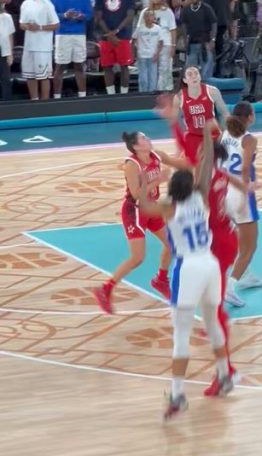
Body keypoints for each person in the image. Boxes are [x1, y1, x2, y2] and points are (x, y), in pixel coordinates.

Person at [139, 123, 235, 418]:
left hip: (189, 267)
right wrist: (208, 136)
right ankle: (224, 375)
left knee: (181, 335)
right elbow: (204, 168)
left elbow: (143, 206)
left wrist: (146, 181)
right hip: (210, 265)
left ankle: (178, 394)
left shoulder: (169, 206)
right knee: (213, 322)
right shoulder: (201, 197)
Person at [92, 130, 178, 314]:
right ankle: (105, 289)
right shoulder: (132, 165)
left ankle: (161, 279)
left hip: (152, 207)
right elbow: (137, 194)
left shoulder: (156, 155)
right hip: (135, 210)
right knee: (138, 258)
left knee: (173, 243)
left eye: (147, 137)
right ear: (137, 147)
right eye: (144, 139)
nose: (149, 139)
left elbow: (177, 161)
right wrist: (158, 180)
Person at [221, 101, 262, 307]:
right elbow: (246, 167)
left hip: (224, 191)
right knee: (250, 247)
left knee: (240, 238)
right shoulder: (249, 139)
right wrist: (248, 188)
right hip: (240, 192)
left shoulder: (225, 134)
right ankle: (230, 287)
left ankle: (247, 276)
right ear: (250, 117)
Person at [51, 0, 93, 99]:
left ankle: (82, 96)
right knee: (60, 66)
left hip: (79, 33)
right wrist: (64, 15)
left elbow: (89, 13)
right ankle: (57, 97)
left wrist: (82, 16)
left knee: (79, 65)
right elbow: (52, 13)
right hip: (62, 34)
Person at [93, 0, 136, 95]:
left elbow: (130, 15)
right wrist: (109, 34)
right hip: (105, 35)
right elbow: (98, 16)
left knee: (124, 66)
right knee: (107, 66)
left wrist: (116, 31)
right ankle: (110, 94)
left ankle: (124, 93)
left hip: (122, 35)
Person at [177, 63, 229, 164]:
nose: (194, 76)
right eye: (190, 74)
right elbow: (177, 122)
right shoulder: (179, 97)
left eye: (196, 73)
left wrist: (224, 133)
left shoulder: (212, 91)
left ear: (200, 76)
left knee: (217, 167)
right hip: (193, 137)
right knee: (193, 171)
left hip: (213, 136)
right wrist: (183, 140)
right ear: (184, 80)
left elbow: (225, 113)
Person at [19, 0, 59, 99]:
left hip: (43, 47)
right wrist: (27, 26)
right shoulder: (25, 4)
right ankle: (34, 101)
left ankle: (44, 103)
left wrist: (40, 27)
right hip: (29, 46)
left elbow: (56, 24)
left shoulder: (47, 4)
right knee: (30, 76)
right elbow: (21, 24)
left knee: (44, 76)